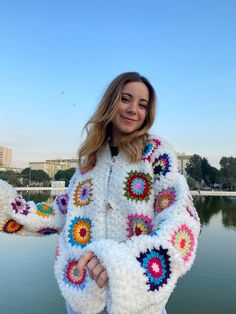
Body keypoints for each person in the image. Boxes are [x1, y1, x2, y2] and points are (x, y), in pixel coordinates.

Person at [0, 72, 200, 314]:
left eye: (142, 104)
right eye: (126, 99)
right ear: (111, 102)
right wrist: (7, 205)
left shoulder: (156, 153)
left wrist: (123, 260)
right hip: (83, 295)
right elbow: (61, 212)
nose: (133, 110)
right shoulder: (90, 160)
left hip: (137, 300)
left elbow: (181, 218)